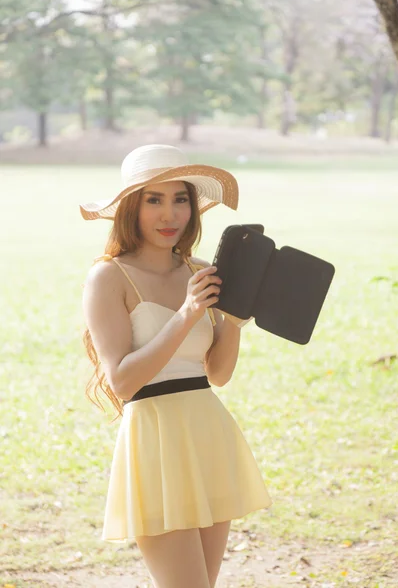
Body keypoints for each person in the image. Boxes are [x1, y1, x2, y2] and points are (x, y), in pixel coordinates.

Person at [80, 144, 272, 588]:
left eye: (180, 199)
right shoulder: (109, 277)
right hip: (155, 441)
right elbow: (123, 381)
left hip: (208, 433)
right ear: (132, 207)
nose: (170, 215)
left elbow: (217, 375)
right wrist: (187, 313)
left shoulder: (202, 270)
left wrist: (233, 322)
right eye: (154, 199)